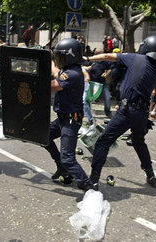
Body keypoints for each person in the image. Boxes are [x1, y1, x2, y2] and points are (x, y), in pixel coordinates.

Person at [86, 35, 156, 188]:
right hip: (142, 114)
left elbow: (108, 56)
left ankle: (94, 179)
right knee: (138, 141)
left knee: (103, 142)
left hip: (128, 110)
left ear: (145, 47)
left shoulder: (136, 58)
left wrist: (88, 59)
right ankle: (151, 175)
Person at [45, 38, 96, 191]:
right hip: (62, 118)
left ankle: (88, 187)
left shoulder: (73, 73)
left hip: (70, 120)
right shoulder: (68, 69)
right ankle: (61, 168)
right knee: (44, 137)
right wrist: (49, 59)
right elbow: (56, 72)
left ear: (69, 56)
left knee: (68, 158)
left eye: (59, 57)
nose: (58, 60)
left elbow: (54, 85)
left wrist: (32, 80)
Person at [89, 49, 112, 118]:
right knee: (88, 99)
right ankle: (87, 113)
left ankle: (108, 112)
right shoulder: (92, 61)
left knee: (108, 97)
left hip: (102, 83)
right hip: (92, 83)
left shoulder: (105, 62)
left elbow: (110, 69)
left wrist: (106, 74)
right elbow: (83, 67)